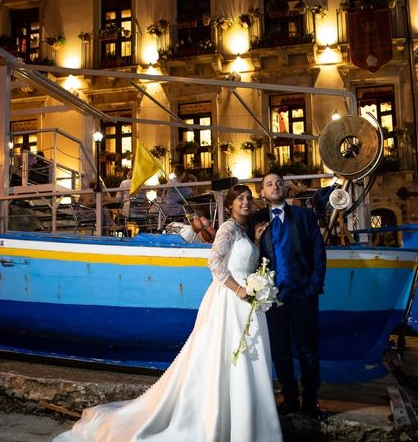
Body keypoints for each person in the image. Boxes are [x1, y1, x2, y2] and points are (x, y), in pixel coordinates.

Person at [54, 185, 281, 442]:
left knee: (241, 359)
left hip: (245, 300)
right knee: (224, 356)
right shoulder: (228, 228)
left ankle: (244, 420)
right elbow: (214, 263)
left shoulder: (243, 230)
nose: (246, 202)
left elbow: (244, 262)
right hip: (230, 299)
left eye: (249, 198)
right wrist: (239, 290)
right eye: (240, 198)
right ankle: (221, 418)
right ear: (230, 204)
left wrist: (258, 242)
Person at [251, 171, 326, 419]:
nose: (275, 187)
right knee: (280, 349)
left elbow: (318, 249)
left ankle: (311, 398)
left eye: (279, 183)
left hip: (303, 293)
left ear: (286, 189)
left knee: (308, 348)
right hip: (272, 298)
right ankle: (290, 396)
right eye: (269, 184)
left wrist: (315, 284)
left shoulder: (304, 216)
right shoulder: (257, 220)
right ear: (262, 192)